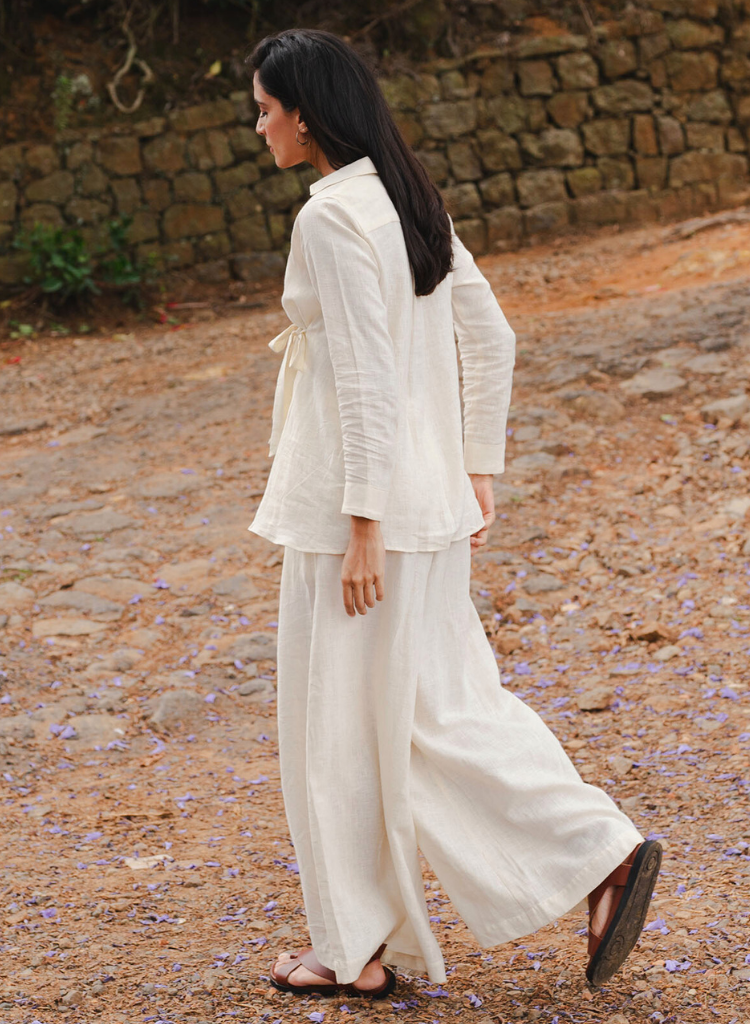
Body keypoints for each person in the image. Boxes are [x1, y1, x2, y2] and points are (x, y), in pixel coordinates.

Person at [246, 28, 662, 1001]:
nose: (258, 127)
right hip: (424, 503)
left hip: (356, 518)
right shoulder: (408, 199)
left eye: (264, 109)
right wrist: (475, 466)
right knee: (446, 705)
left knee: (338, 731)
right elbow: (491, 334)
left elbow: (364, 376)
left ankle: (353, 949)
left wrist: (362, 525)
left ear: (305, 113)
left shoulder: (332, 217)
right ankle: (597, 850)